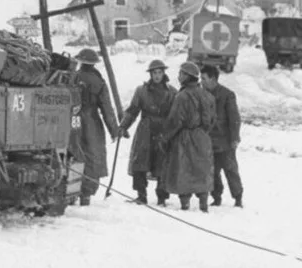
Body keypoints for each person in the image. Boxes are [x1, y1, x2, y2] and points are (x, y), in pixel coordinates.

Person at [119, 59, 178, 206]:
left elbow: (176, 114)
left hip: (163, 130)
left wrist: (173, 132)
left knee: (162, 162)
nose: (157, 76)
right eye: (154, 73)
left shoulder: (172, 92)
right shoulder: (141, 91)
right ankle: (141, 195)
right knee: (140, 162)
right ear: (150, 74)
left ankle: (162, 197)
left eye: (159, 72)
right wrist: (123, 126)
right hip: (145, 129)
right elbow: (133, 110)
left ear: (164, 73)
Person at [159, 61, 215, 212]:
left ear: (187, 76)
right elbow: (212, 120)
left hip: (184, 136)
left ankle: (185, 204)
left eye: (181, 74)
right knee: (202, 169)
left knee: (183, 168)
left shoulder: (182, 96)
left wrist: (165, 137)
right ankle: (203, 203)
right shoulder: (208, 95)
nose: (178, 77)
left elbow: (175, 120)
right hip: (203, 136)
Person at [73, 48, 121, 206]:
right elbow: (107, 108)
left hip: (71, 119)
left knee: (74, 154)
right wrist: (114, 130)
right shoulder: (99, 81)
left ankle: (70, 191)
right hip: (92, 121)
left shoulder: (72, 77)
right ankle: (86, 194)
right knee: (93, 156)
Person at [200, 65, 243, 207]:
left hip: (225, 141)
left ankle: (238, 198)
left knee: (230, 170)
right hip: (208, 140)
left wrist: (235, 138)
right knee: (212, 171)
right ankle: (216, 197)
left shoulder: (227, 95)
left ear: (213, 79)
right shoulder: (202, 94)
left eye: (204, 78)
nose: (202, 81)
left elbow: (234, 118)